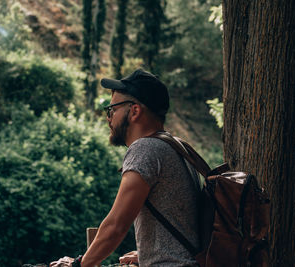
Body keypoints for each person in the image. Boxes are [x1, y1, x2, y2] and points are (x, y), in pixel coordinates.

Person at [50, 69, 200, 267]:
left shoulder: (145, 148)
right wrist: (148, 254)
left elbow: (116, 225)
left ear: (134, 111)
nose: (108, 117)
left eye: (112, 109)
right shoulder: (176, 147)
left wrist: (79, 264)